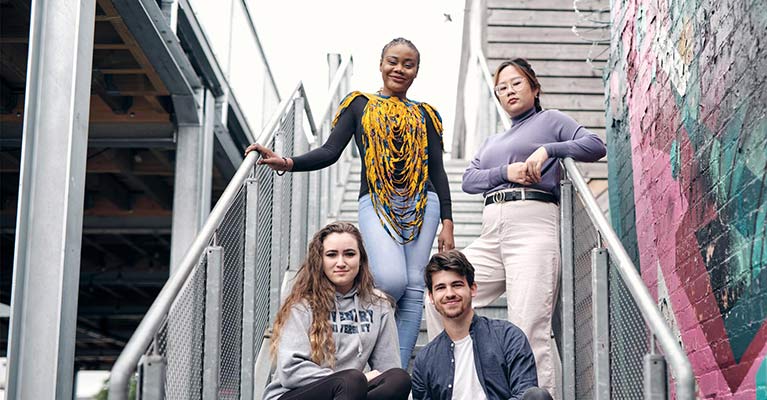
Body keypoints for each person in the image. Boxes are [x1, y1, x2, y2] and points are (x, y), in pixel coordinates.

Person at [247, 37, 454, 367]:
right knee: (390, 280)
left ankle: (393, 374)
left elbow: (439, 171)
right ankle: (364, 355)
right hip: (376, 202)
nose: (399, 69)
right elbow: (330, 152)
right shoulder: (359, 104)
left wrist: (447, 220)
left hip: (423, 204)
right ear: (381, 63)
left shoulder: (427, 114)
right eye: (392, 61)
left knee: (414, 286)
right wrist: (287, 162)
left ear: (416, 71)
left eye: (408, 64)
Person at [424, 58, 607, 397]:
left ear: (534, 88)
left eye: (516, 83)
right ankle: (459, 378)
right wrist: (506, 173)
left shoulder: (550, 121)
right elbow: (469, 180)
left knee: (528, 326)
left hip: (534, 225)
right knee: (436, 295)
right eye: (501, 88)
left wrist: (547, 150)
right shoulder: (493, 141)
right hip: (492, 229)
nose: (508, 91)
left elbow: (595, 145)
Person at [262, 222, 410, 400]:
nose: (341, 262)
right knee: (350, 381)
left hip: (350, 392)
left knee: (399, 378)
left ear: (361, 259)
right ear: (320, 260)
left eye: (349, 254)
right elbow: (289, 370)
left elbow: (387, 369)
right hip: (293, 394)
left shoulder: (378, 305)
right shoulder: (302, 304)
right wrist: (347, 379)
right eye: (332, 255)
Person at [412, 250, 552, 400]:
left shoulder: (508, 337)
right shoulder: (425, 360)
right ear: (431, 297)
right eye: (441, 288)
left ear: (473, 289)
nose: (450, 293)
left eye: (457, 285)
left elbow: (524, 392)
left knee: (537, 396)